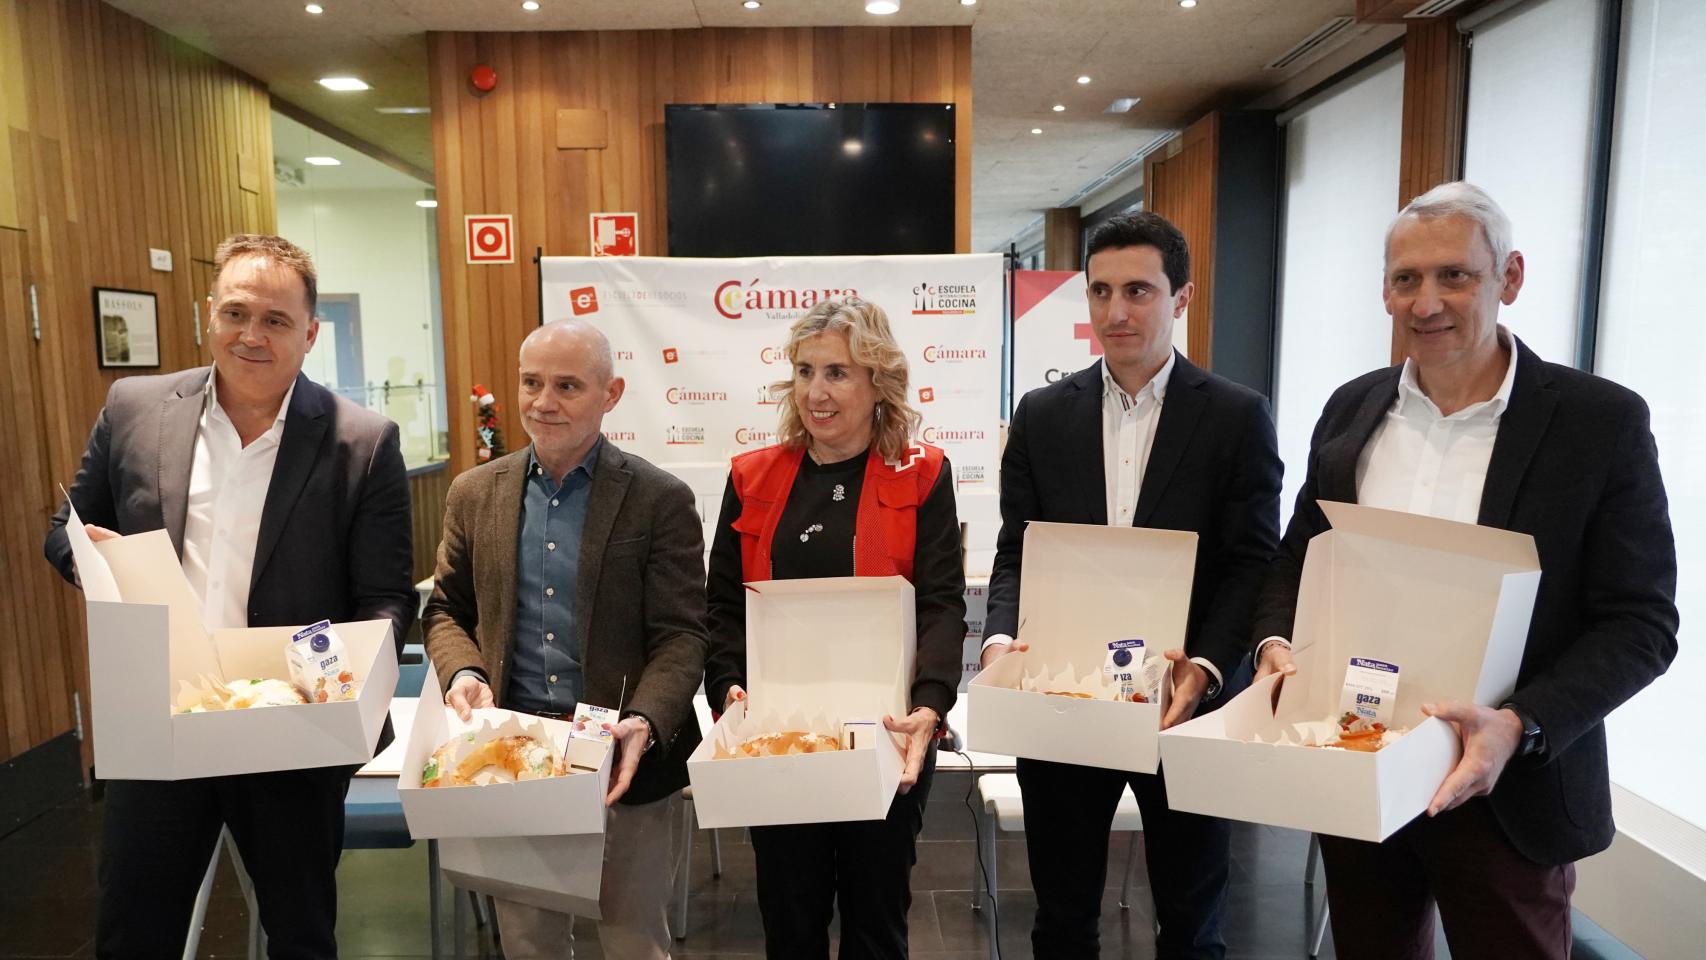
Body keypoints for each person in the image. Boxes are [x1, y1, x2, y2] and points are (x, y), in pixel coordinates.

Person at [1252, 181, 1678, 960]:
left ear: (1509, 277)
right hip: (1360, 765)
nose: (1427, 303)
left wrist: (1520, 725)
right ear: (1385, 289)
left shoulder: (1599, 423)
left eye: (1456, 276)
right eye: (1406, 279)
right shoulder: (1352, 409)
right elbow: (1301, 552)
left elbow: (1642, 623)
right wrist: (1276, 642)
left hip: (1512, 791)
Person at [44, 234, 416, 959]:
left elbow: (384, 598)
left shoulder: (362, 442)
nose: (251, 335)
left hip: (292, 731)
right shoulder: (134, 408)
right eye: (235, 313)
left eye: (276, 320)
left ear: (310, 334)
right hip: (162, 717)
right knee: (132, 932)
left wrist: (343, 688)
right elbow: (68, 527)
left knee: (301, 936)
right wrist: (98, 564)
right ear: (207, 316)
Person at [981, 211, 1283, 960]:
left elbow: (1253, 561)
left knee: (1190, 921)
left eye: (1139, 291)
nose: (1116, 312)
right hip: (1067, 700)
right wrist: (998, 643)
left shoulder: (1237, 417)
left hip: (1188, 702)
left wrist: (1207, 668)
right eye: (1101, 291)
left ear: (1181, 297)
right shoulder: (1043, 416)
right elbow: (1018, 549)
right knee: (1061, 918)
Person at [422, 319, 707, 959]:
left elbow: (684, 634)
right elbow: (446, 610)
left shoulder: (659, 499)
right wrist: (462, 673)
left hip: (625, 763)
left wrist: (644, 720)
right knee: (528, 944)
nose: (544, 402)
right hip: (516, 759)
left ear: (611, 393)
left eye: (568, 385)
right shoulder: (474, 494)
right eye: (531, 383)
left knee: (635, 940)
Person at [702, 297, 965, 960]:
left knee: (877, 924)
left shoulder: (923, 473)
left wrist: (930, 704)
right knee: (790, 922)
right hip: (781, 737)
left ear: (879, 381)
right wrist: (727, 687)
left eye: (839, 373)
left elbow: (941, 603)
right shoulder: (753, 477)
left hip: (889, 735)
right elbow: (724, 607)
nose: (817, 392)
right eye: (805, 371)